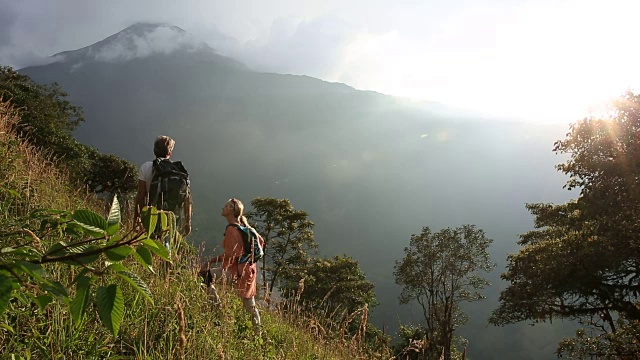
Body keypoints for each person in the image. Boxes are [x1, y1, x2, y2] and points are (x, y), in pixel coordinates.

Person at [200, 198, 262, 335]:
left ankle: (218, 312)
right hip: (249, 271)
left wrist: (211, 261)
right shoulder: (246, 228)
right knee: (249, 304)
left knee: (204, 277)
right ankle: (259, 335)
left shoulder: (231, 229)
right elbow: (261, 242)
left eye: (227, 206)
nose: (223, 207)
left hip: (237, 271)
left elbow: (231, 255)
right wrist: (249, 258)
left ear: (232, 211)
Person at [134, 136, 192, 244]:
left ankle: (158, 260)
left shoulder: (146, 167)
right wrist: (188, 222)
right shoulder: (178, 170)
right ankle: (166, 259)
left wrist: (138, 218)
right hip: (172, 215)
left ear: (154, 151)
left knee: (152, 243)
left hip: (152, 214)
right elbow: (187, 199)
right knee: (167, 243)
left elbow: (141, 196)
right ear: (169, 153)